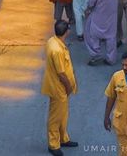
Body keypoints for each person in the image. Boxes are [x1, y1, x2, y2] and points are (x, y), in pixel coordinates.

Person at [41, 20, 78, 156]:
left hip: (58, 86)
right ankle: (53, 144)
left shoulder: (53, 41)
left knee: (62, 114)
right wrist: (68, 87)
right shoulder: (57, 50)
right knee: (56, 117)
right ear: (67, 32)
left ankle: (63, 138)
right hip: (59, 88)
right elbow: (61, 73)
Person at [84, 0, 121, 66]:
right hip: (112, 11)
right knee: (111, 35)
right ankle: (111, 58)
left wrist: (88, 8)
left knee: (93, 33)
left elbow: (92, 0)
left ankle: (95, 55)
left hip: (99, 11)